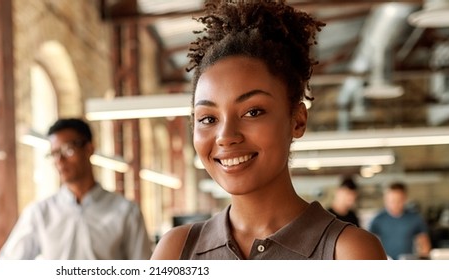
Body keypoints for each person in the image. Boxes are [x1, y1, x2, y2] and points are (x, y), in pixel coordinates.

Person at [151, 0, 385, 260]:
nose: (226, 136)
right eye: (208, 118)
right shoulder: (176, 251)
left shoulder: (348, 253)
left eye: (252, 112)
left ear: (297, 120)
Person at [0, 118, 153, 260]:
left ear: (89, 149)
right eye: (55, 153)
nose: (60, 160)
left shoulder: (126, 212)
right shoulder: (39, 213)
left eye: (68, 150)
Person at [369, 182, 431, 260]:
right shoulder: (377, 219)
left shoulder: (415, 218)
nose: (395, 204)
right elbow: (370, 245)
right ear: (385, 199)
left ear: (405, 199)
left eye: (399, 201)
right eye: (392, 200)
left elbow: (424, 244)